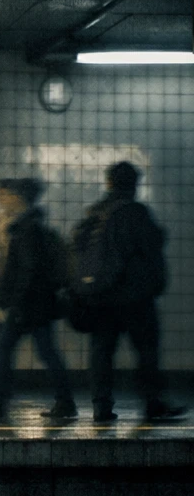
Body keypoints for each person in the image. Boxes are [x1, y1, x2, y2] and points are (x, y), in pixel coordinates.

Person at [71, 161, 186, 423]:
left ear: (109, 183)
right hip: (134, 297)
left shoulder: (95, 213)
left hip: (101, 296)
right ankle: (153, 403)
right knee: (146, 351)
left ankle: (101, 407)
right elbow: (149, 249)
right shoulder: (136, 212)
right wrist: (156, 283)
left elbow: (78, 249)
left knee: (102, 352)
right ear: (134, 184)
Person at [0, 178, 77, 420]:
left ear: (19, 198)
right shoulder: (32, 226)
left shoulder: (26, 230)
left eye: (10, 195)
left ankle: (0, 402)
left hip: (27, 306)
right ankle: (61, 401)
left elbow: (27, 271)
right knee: (38, 351)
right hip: (37, 305)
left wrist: (13, 302)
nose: (5, 199)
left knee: (9, 349)